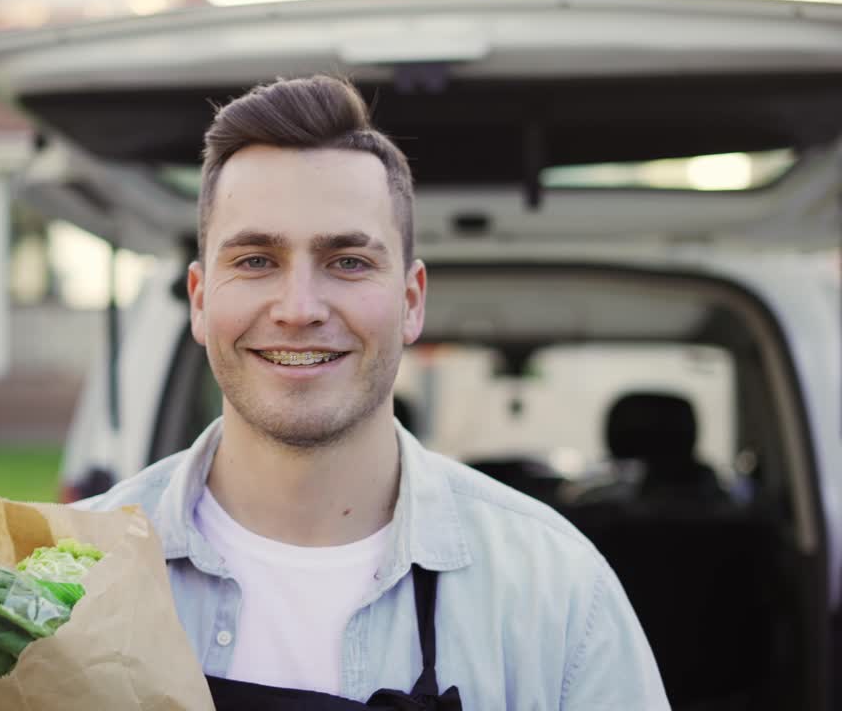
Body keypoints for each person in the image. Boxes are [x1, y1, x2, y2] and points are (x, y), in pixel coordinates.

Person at [77, 75, 668, 709]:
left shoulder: (555, 591)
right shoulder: (69, 575)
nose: (299, 308)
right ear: (199, 300)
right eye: (255, 261)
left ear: (411, 302)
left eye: (348, 262)